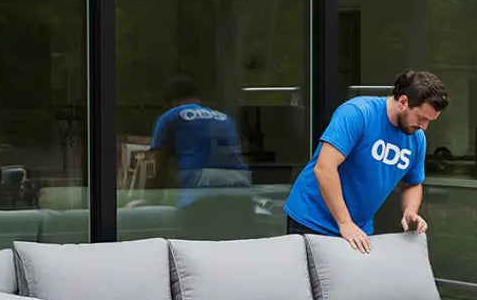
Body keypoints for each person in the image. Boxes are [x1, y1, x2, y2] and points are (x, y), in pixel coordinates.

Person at [284, 69, 449, 252]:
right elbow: (324, 168)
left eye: (429, 121)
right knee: (309, 281)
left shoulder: (416, 139)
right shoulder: (357, 113)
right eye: (421, 118)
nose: (424, 127)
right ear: (403, 101)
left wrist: (410, 210)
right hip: (312, 220)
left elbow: (412, 183)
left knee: (350, 281)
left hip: (358, 230)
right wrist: (345, 222)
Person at [148, 77, 253, 238]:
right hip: (240, 192)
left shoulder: (171, 116)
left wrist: (150, 198)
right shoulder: (225, 119)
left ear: (173, 101)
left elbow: (159, 163)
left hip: (201, 197)